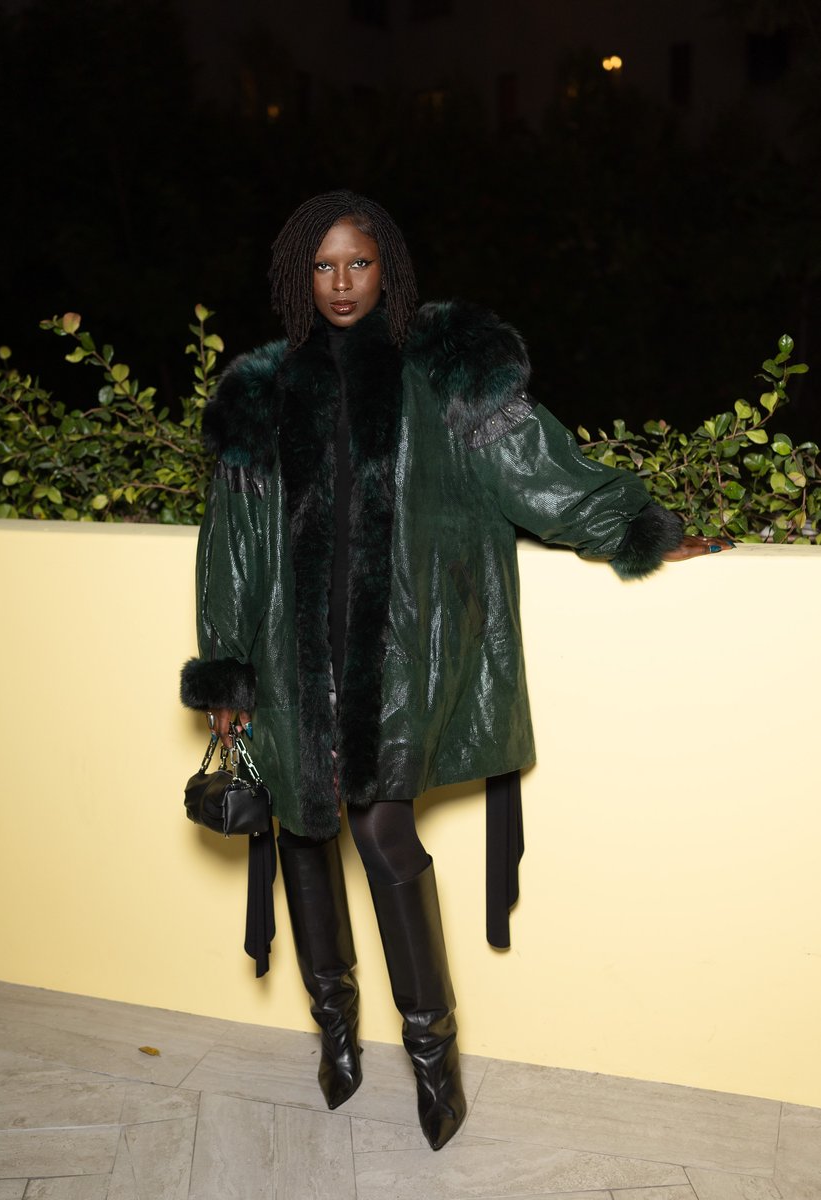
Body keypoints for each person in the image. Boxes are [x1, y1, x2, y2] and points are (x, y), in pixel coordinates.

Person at [180, 189, 732, 1151]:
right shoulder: (260, 392)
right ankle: (336, 1036)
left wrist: (637, 528)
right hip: (289, 660)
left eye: (358, 262)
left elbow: (534, 469)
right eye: (323, 265)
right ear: (299, 278)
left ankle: (433, 1059)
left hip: (399, 658)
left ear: (386, 266)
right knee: (305, 838)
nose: (342, 282)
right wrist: (228, 677)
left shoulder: (442, 368)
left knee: (384, 836)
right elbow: (229, 546)